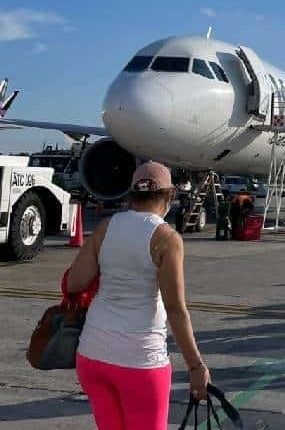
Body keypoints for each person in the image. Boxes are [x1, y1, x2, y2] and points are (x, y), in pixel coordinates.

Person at [66, 161, 210, 430]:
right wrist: (196, 366)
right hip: (140, 361)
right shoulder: (166, 238)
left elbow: (74, 282)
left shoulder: (106, 227)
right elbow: (175, 310)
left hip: (92, 355)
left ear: (131, 194)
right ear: (170, 196)